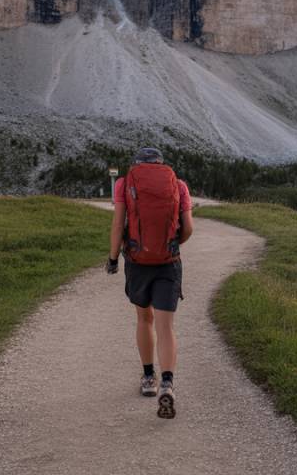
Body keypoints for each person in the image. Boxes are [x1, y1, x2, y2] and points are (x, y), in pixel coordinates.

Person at [106, 147, 194, 419]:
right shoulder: (178, 185)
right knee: (166, 326)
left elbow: (118, 224)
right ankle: (168, 383)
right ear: (161, 164)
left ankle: (148, 379)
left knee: (145, 319)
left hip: (138, 262)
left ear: (136, 165)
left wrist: (113, 259)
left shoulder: (124, 183)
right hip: (168, 262)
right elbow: (188, 228)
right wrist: (170, 246)